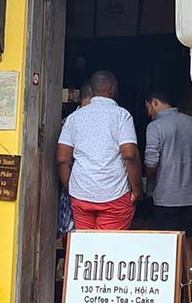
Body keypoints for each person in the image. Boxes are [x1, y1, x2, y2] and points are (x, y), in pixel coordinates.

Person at [56, 70, 142, 230]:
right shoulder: (121, 115)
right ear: (110, 88)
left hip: (81, 194)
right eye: (116, 86)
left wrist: (72, 189)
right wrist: (137, 189)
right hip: (114, 194)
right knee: (108, 249)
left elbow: (62, 159)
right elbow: (130, 155)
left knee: (86, 246)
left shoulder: (74, 118)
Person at [145, 88, 192, 253]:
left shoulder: (155, 127)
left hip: (166, 197)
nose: (148, 113)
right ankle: (189, 278)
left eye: (148, 108)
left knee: (168, 245)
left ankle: (174, 279)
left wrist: (150, 181)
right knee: (188, 242)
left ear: (154, 102)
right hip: (190, 195)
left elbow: (151, 162)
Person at [57, 83, 93, 238]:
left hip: (78, 185)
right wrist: (70, 189)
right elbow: (63, 159)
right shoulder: (70, 122)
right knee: (74, 234)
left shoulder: (69, 121)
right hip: (75, 184)